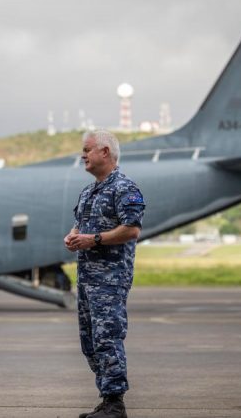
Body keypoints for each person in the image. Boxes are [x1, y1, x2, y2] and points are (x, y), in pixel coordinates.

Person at [64, 130, 145, 418]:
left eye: (87, 150)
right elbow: (80, 226)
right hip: (87, 280)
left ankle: (115, 403)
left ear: (105, 152)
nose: (83, 155)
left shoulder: (123, 188)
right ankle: (106, 398)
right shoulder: (89, 191)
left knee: (107, 337)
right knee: (90, 342)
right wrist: (74, 236)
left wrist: (93, 239)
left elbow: (132, 229)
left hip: (110, 280)